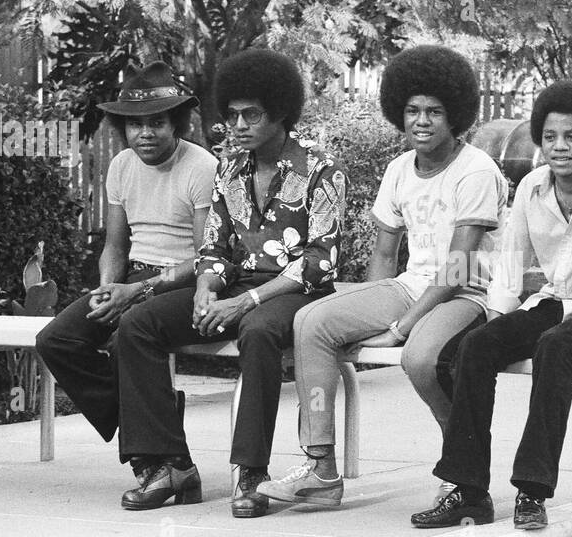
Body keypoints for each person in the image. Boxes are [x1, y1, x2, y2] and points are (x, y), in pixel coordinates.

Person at [257, 44, 508, 512]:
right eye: (412, 110)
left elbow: (457, 268)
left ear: (455, 114)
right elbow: (384, 254)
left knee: (420, 357)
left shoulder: (476, 171)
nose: (422, 121)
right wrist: (372, 307)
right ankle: (320, 467)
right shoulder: (398, 170)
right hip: (413, 287)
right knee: (313, 322)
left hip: (469, 293)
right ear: (399, 113)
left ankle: (463, 466)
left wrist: (401, 325)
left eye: (435, 111)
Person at [111, 49, 347, 513]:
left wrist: (247, 301)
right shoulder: (230, 169)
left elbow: (322, 261)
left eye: (251, 114)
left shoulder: (322, 169)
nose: (238, 125)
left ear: (280, 111)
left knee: (258, 331)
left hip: (296, 292)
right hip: (236, 287)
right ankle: (164, 465)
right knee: (137, 325)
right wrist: (204, 291)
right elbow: (214, 249)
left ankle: (251, 474)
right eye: (232, 115)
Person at [410, 80, 572, 530]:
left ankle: (532, 491)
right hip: (555, 301)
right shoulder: (531, 187)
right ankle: (468, 492)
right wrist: (496, 333)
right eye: (550, 137)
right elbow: (509, 269)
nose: (559, 147)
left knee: (556, 348)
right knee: (476, 347)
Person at [35, 61, 217, 479]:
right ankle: (158, 412)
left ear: (177, 124)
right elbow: (115, 245)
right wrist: (106, 290)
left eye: (157, 123)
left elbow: (208, 257)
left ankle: (162, 464)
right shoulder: (121, 165)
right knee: (56, 341)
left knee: (130, 335)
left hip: (187, 283)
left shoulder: (201, 167)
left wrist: (135, 294)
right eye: (135, 125)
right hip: (134, 277)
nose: (145, 133)